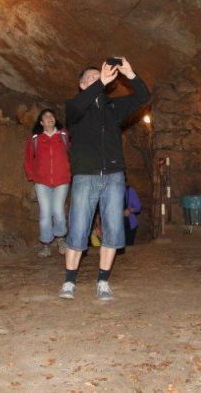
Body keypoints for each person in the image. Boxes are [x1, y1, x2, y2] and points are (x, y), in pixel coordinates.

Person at [59, 58, 150, 301]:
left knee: (113, 229)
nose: (95, 80)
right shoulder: (74, 108)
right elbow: (80, 104)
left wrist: (130, 74)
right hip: (85, 176)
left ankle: (103, 281)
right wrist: (100, 83)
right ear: (81, 85)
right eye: (90, 78)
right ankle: (69, 282)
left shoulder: (113, 108)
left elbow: (143, 97)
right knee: (78, 228)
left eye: (97, 77)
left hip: (113, 176)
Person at [24, 108, 71, 258]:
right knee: (45, 213)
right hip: (42, 182)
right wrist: (32, 176)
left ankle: (61, 238)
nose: (50, 118)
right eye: (46, 116)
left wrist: (70, 172)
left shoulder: (64, 136)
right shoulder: (35, 139)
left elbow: (73, 154)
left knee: (58, 210)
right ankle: (46, 244)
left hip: (61, 180)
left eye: (52, 115)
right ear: (41, 122)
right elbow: (28, 159)